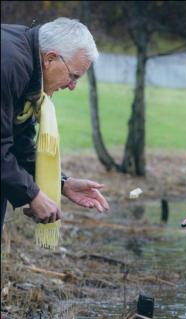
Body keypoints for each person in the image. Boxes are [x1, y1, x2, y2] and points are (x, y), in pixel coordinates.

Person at [1, 17, 109, 237]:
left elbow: (19, 143)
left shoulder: (29, 62)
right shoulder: (9, 64)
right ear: (50, 58)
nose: (72, 86)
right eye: (73, 76)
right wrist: (32, 195)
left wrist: (63, 183)